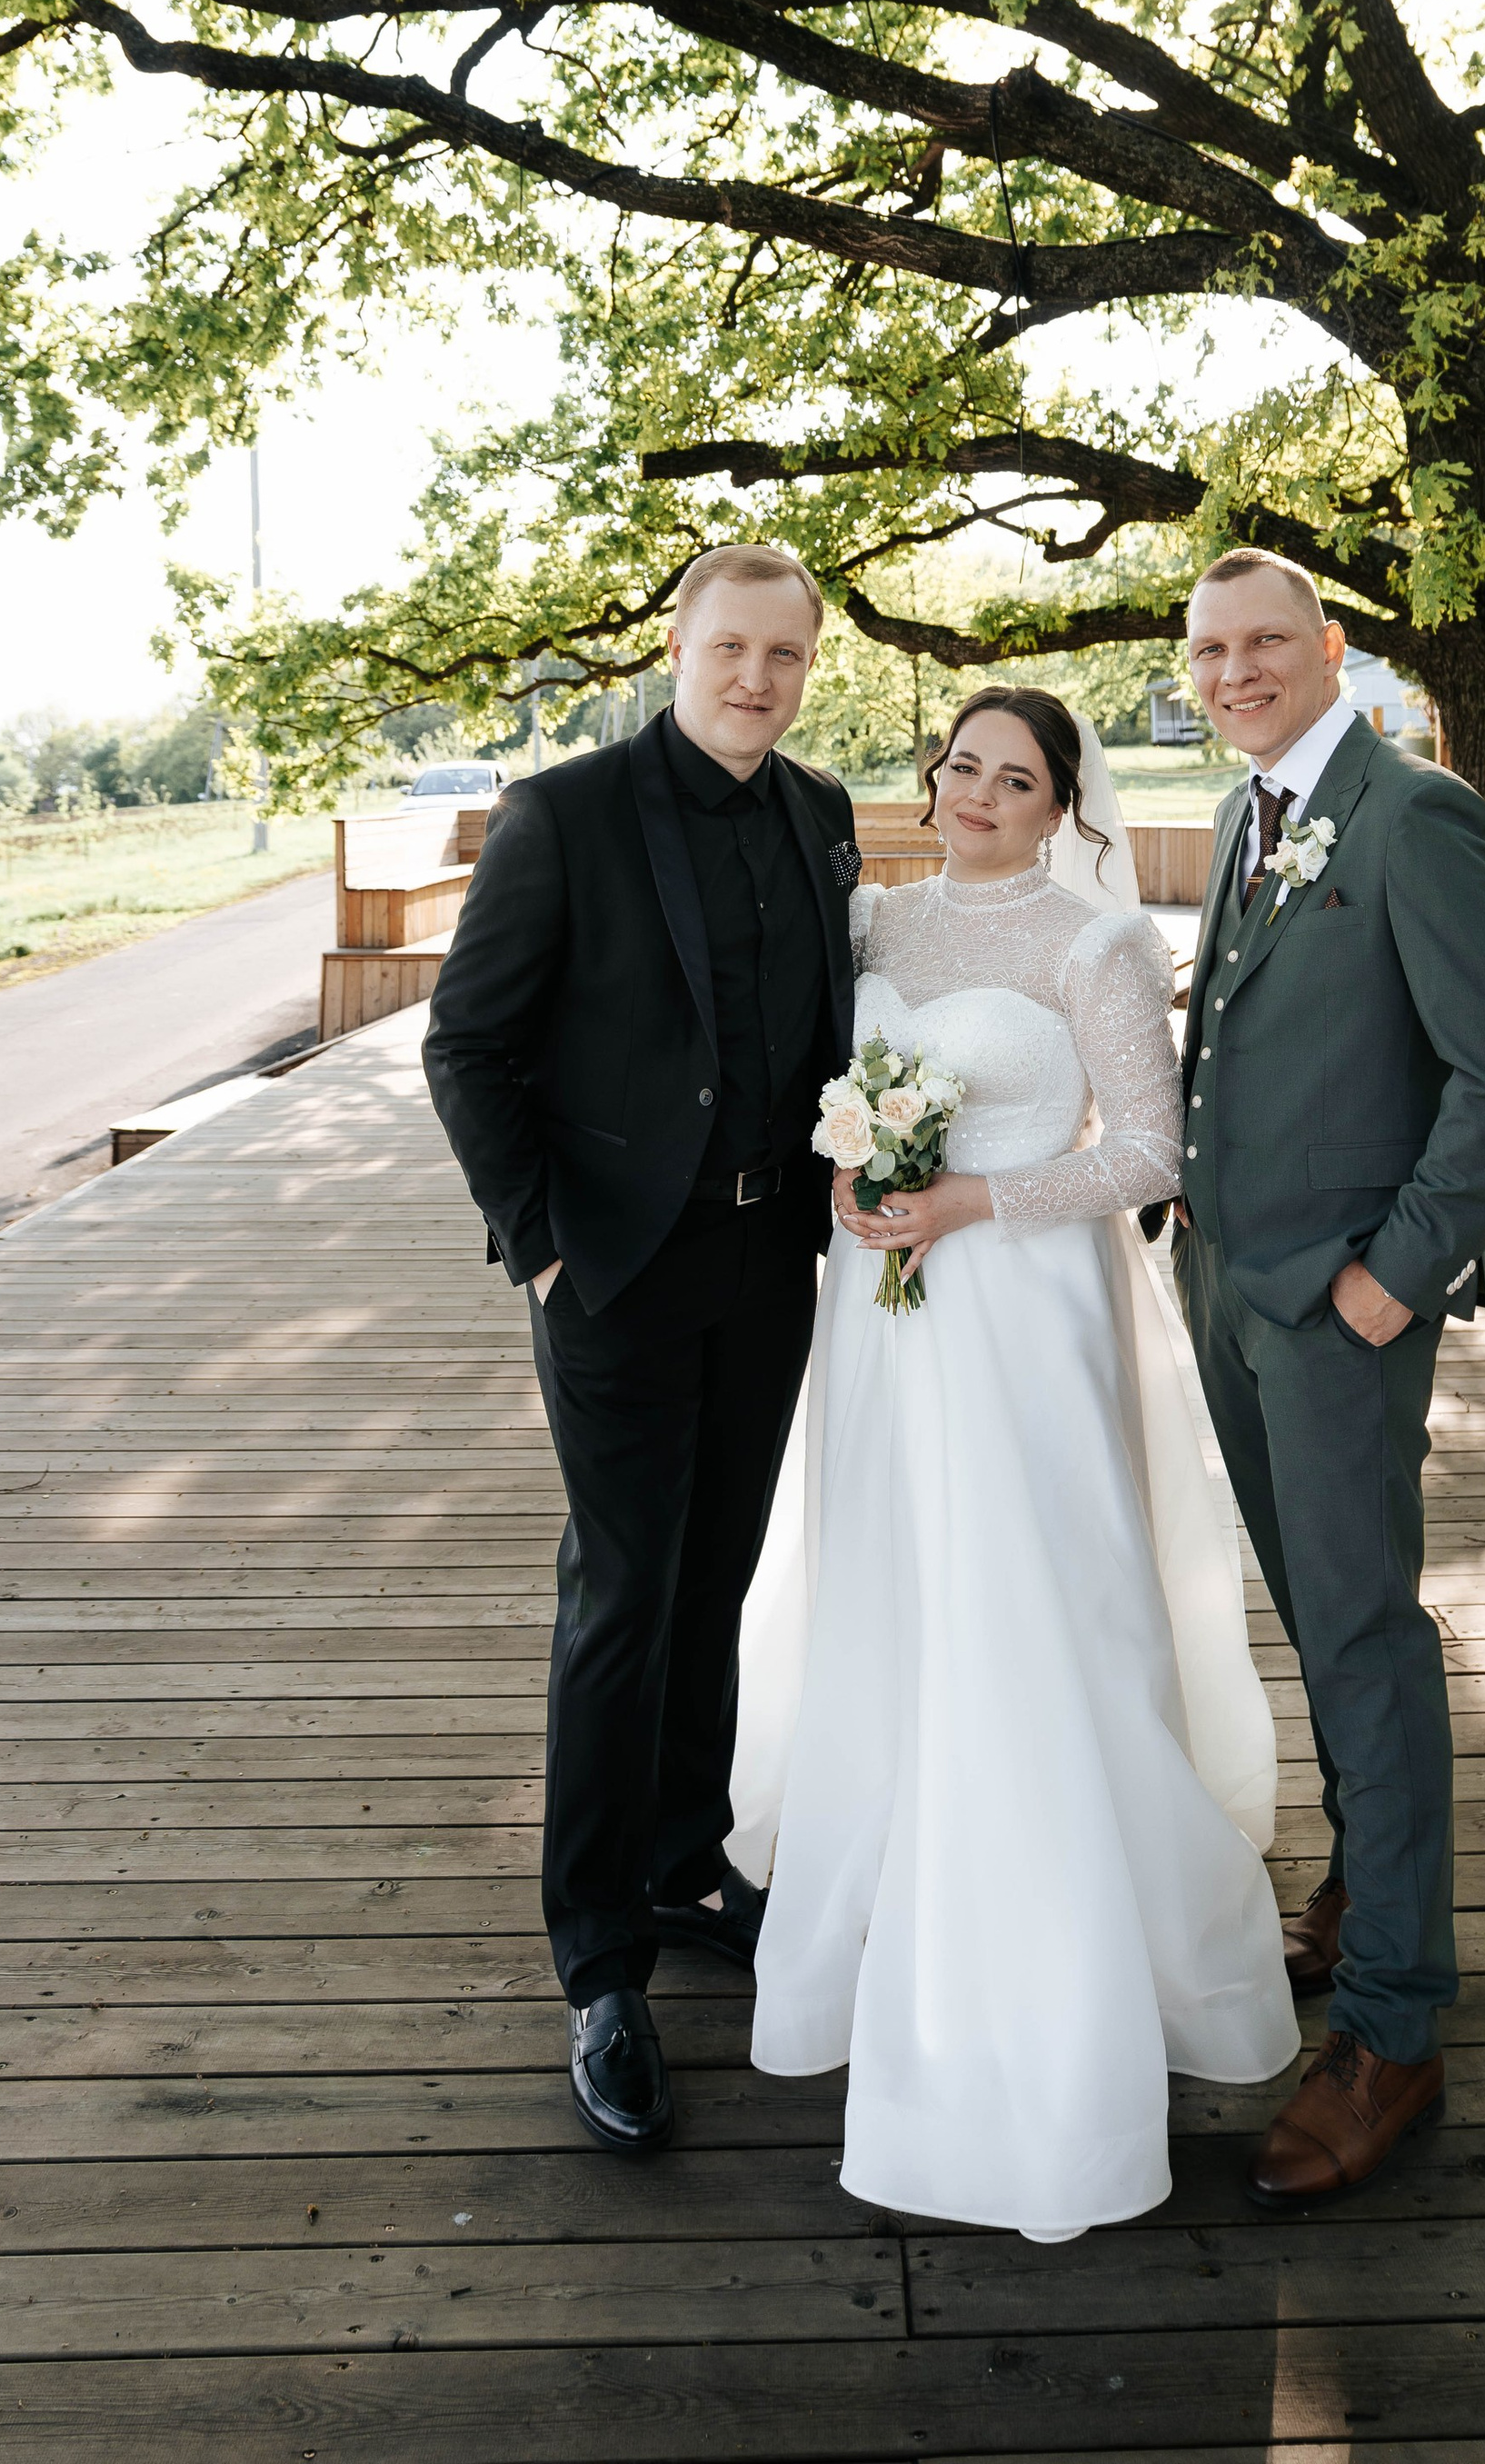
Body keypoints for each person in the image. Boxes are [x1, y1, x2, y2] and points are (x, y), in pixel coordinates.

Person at [732, 687, 1297, 2240]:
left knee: (1034, 1608)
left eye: (1016, 776)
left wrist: (968, 1207)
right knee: (895, 1591)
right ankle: (885, 1900)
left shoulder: (1093, 945)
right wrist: (861, 1182)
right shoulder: (873, 929)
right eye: (961, 765)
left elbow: (1151, 1153)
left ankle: (1060, 1957)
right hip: (883, 1320)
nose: (976, 791)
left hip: (1024, 1308)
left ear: (1065, 806)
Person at [421, 544, 861, 2156]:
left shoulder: (819, 818)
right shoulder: (566, 814)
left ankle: (685, 1858)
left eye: (787, 656)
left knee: (720, 1575)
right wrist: (538, 1241)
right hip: (609, 1270)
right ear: (679, 647)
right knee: (621, 1594)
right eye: (732, 648)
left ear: (813, 665)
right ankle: (600, 1959)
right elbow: (466, 1041)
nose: (757, 678)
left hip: (768, 1260)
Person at [1164, 548, 1485, 2208]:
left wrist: (1397, 1280)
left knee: (1369, 1635)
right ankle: (1360, 1888)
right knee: (1316, 1615)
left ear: (1332, 650)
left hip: (1340, 1313)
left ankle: (1395, 2022)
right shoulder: (1257, 813)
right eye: (1210, 650)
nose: (1237, 669)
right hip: (1229, 1292)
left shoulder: (1412, 813)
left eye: (1267, 643)